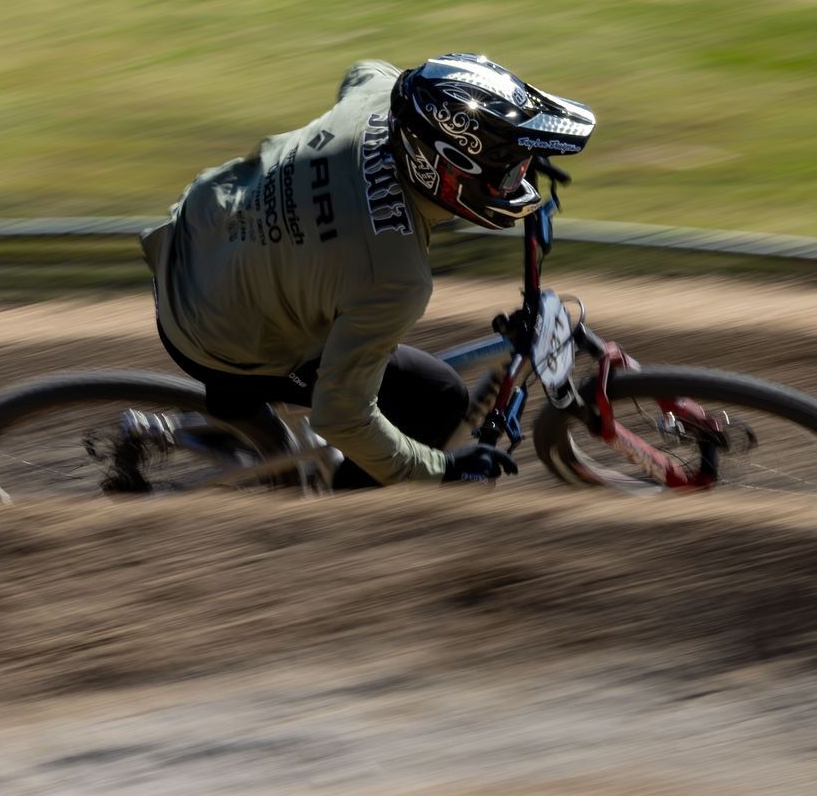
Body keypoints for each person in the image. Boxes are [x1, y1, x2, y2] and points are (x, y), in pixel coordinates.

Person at [137, 54, 595, 488]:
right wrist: (442, 469)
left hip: (198, 232)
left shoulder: (379, 97)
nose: (518, 179)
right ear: (445, 169)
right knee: (437, 397)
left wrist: (507, 149)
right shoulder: (395, 279)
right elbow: (342, 416)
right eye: (508, 170)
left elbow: (365, 70)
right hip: (212, 335)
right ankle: (349, 510)